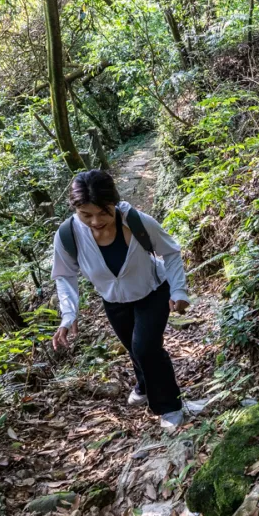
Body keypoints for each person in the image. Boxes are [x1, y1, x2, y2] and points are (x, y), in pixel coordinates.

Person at [51, 169, 192, 430]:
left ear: (114, 203)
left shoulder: (137, 221)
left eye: (103, 212)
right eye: (86, 215)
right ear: (75, 210)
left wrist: (179, 291)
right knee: (134, 348)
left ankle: (170, 406)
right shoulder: (67, 234)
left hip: (152, 291)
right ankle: (143, 384)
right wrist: (68, 314)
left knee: (146, 348)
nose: (95, 221)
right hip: (113, 301)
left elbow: (171, 252)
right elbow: (64, 275)